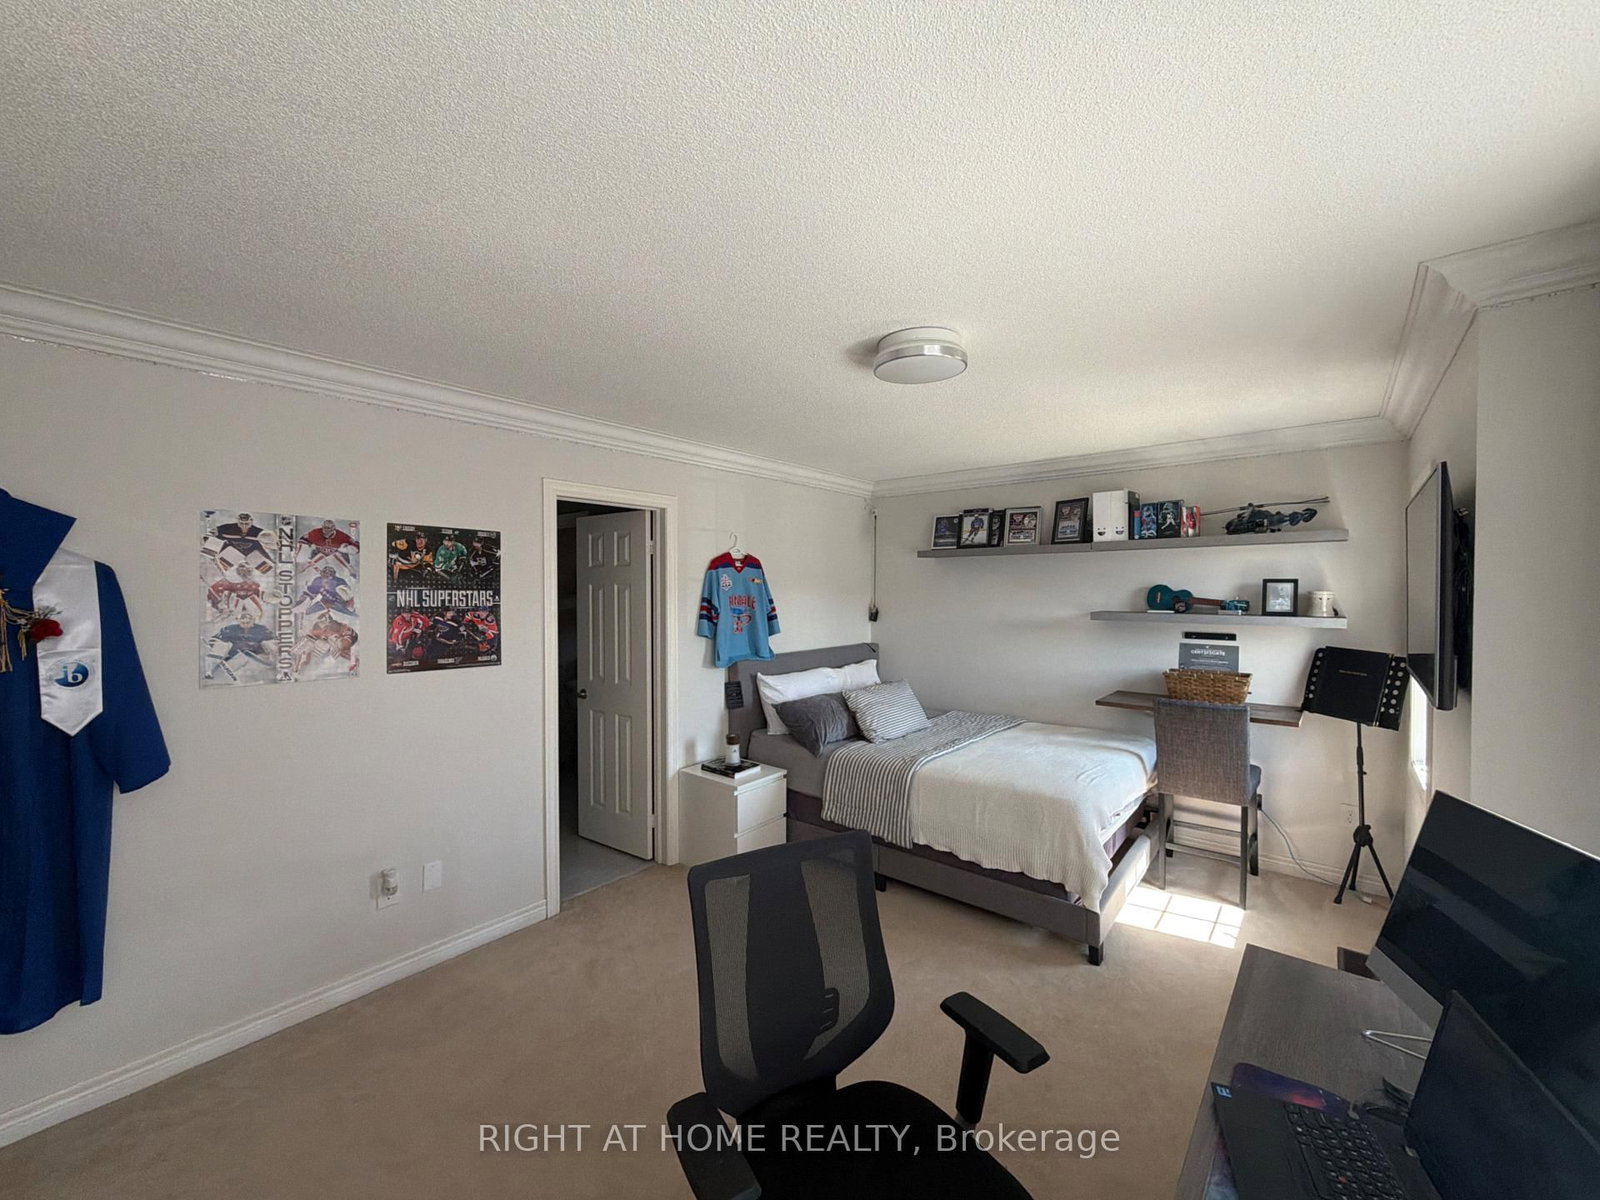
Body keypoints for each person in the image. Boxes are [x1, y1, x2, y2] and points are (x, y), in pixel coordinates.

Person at [204, 611, 273, 680]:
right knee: (222, 645)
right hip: (235, 653)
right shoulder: (230, 629)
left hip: (256, 655)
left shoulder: (262, 629)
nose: (245, 624)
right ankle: (209, 671)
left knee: (267, 644)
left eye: (248, 622)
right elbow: (217, 638)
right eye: (243, 623)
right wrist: (214, 645)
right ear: (238, 621)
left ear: (253, 621)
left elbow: (272, 640)